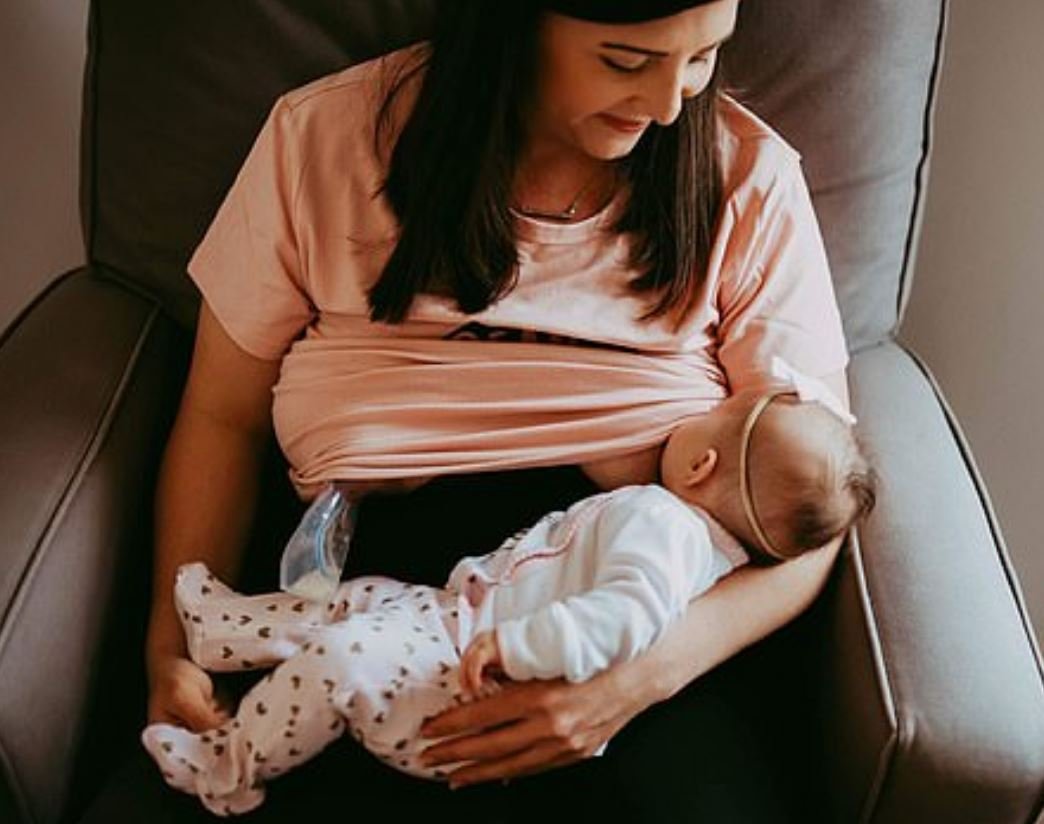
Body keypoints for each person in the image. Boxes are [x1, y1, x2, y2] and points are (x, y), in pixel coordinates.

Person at [125, 0, 861, 820]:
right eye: (625, 60)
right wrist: (170, 646)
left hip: (634, 594)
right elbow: (222, 416)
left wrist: (637, 679)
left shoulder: (750, 176)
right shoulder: (321, 139)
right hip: (368, 577)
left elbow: (815, 515)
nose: (667, 106)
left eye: (702, 57)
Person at [141, 376, 876, 816]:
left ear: (702, 461)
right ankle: (221, 627)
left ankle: (231, 763)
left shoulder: (666, 529)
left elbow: (624, 620)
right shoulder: (688, 539)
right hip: (451, 618)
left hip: (461, 686)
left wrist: (518, 647)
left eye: (709, 413)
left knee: (340, 655)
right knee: (354, 600)